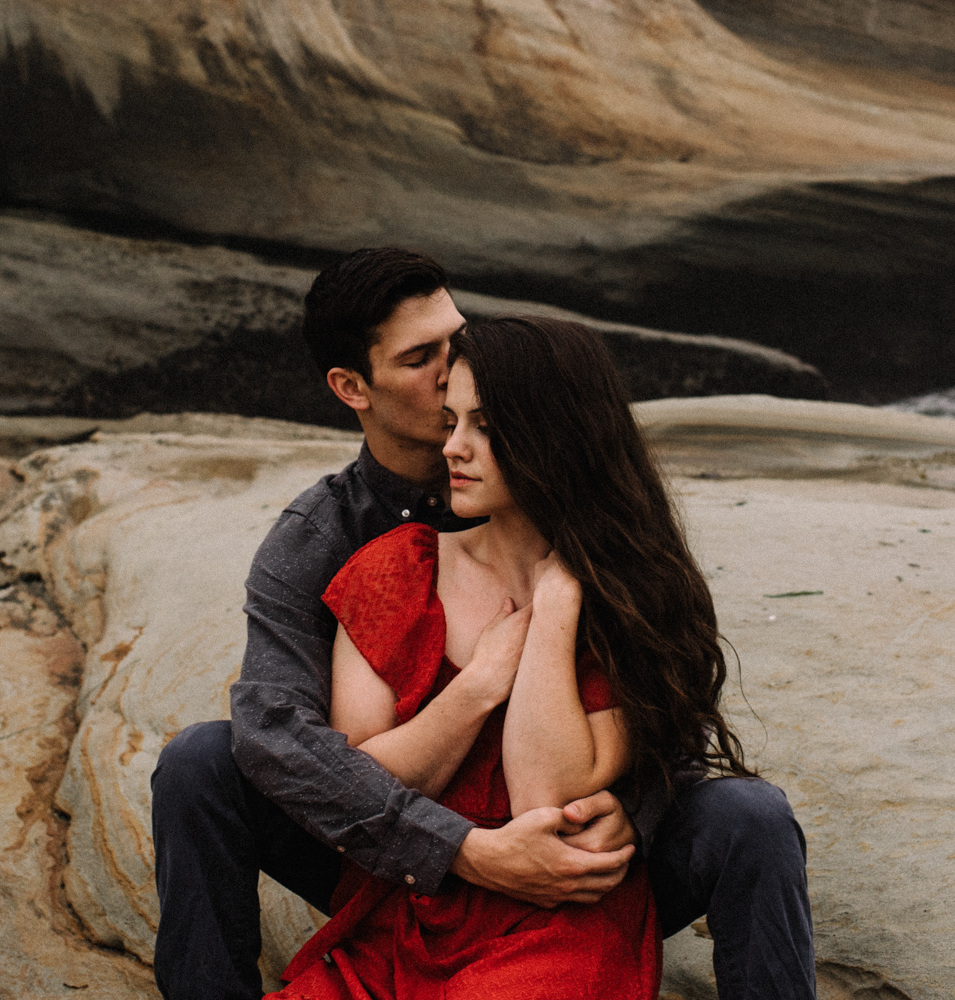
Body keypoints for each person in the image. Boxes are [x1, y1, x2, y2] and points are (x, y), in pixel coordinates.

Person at [151, 248, 816, 999]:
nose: (453, 366)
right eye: (419, 357)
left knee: (750, 815)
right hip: (393, 853)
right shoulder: (326, 538)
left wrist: (630, 811)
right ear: (351, 387)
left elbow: (667, 705)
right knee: (199, 761)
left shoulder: (593, 527)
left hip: (572, 846)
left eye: (454, 339)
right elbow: (278, 738)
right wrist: (460, 848)